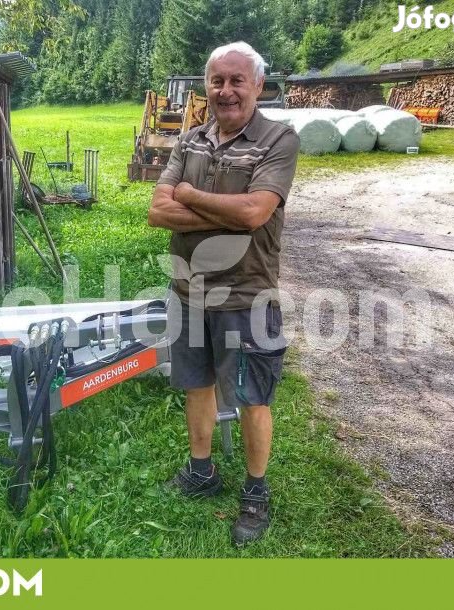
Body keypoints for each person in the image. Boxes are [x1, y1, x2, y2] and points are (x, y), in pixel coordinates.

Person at [147, 41, 300, 546]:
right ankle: (202, 470)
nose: (227, 90)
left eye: (238, 80)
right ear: (206, 86)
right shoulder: (190, 140)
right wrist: (224, 209)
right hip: (188, 291)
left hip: (246, 295)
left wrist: (189, 196)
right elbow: (157, 212)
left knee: (253, 396)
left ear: (258, 84)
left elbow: (255, 214)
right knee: (196, 383)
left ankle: (256, 491)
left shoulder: (278, 140)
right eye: (218, 81)